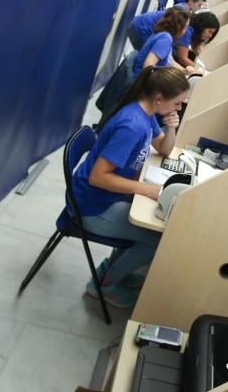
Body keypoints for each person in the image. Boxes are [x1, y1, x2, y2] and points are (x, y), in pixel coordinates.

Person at [72, 67, 190, 308]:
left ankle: (111, 269)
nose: (179, 108)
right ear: (159, 98)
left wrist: (171, 127)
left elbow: (165, 149)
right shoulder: (132, 126)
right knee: (156, 240)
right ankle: (102, 286)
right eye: (177, 103)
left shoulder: (146, 115)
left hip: (106, 197)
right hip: (91, 206)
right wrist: (145, 189)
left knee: (149, 222)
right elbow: (98, 177)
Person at [132, 8, 190, 76]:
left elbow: (170, 61)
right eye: (186, 27)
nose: (186, 31)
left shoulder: (163, 34)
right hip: (139, 80)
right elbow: (147, 67)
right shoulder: (165, 39)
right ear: (179, 27)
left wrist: (183, 70)